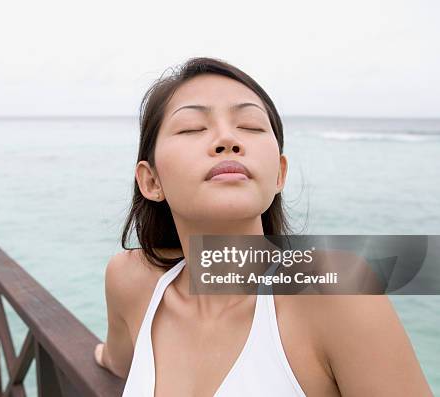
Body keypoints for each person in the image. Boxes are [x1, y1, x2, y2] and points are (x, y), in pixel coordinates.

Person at [93, 57, 432, 396]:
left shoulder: (339, 295)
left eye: (251, 126)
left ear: (279, 174)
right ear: (151, 181)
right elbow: (116, 359)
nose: (227, 139)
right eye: (193, 128)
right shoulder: (130, 280)